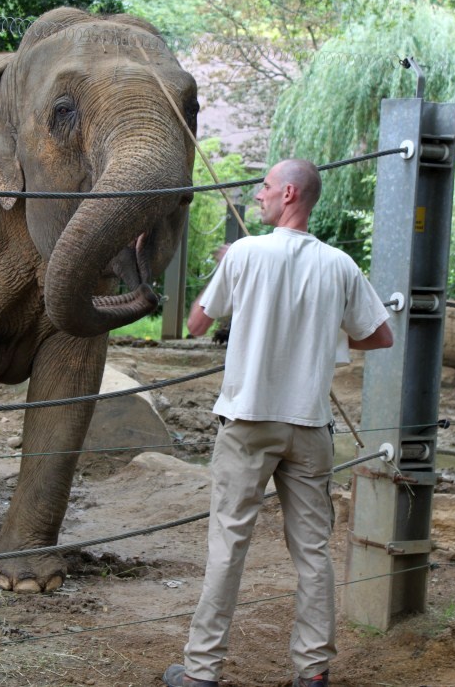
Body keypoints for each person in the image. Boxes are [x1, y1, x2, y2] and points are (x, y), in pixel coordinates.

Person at [162, 158, 394, 687]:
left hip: (247, 422)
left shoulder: (245, 253)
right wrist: (330, 337)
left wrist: (226, 270)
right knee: (313, 552)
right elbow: (381, 337)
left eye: (264, 187)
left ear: (288, 193)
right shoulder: (339, 264)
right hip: (309, 427)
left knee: (227, 546)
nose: (258, 196)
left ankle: (200, 673)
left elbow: (198, 324)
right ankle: (311, 673)